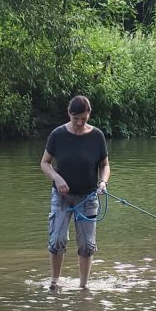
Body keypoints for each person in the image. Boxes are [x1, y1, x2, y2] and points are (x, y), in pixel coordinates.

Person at [39, 95, 110, 290]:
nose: (79, 123)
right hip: (62, 197)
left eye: (84, 119)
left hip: (88, 197)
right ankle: (54, 283)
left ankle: (83, 287)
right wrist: (57, 177)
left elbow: (105, 165)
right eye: (75, 118)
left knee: (87, 245)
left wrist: (103, 182)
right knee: (58, 240)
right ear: (69, 114)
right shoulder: (57, 135)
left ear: (89, 115)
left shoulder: (97, 136)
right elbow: (44, 163)